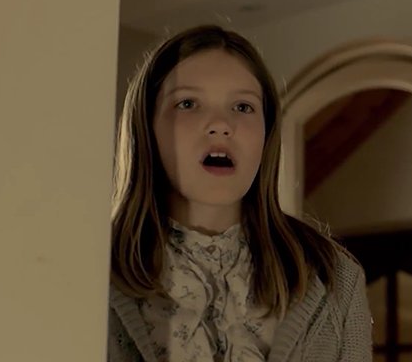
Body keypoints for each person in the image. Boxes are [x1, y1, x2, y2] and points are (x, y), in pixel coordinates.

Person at [109, 25, 372, 362]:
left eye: (243, 107)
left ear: (266, 132)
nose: (221, 125)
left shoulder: (335, 278)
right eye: (188, 103)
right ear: (146, 128)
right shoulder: (92, 267)